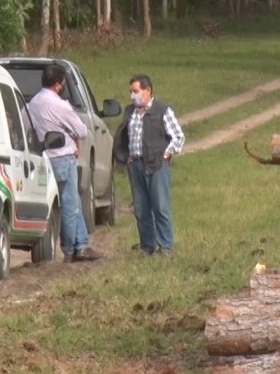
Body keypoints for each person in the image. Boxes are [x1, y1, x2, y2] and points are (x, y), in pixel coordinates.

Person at [27, 64, 102, 263]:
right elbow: (82, 130)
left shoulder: (32, 104)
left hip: (44, 158)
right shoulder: (60, 105)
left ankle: (82, 244)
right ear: (59, 85)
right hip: (63, 157)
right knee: (70, 204)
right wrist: (72, 134)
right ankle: (70, 248)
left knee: (70, 202)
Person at [114, 74, 184, 255]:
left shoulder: (162, 110)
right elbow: (122, 135)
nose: (132, 96)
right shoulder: (130, 111)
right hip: (135, 165)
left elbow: (178, 136)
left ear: (148, 91)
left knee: (160, 207)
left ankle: (165, 246)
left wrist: (167, 154)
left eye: (136, 91)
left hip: (156, 165)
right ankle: (147, 246)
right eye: (131, 92)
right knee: (141, 209)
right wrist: (124, 156)